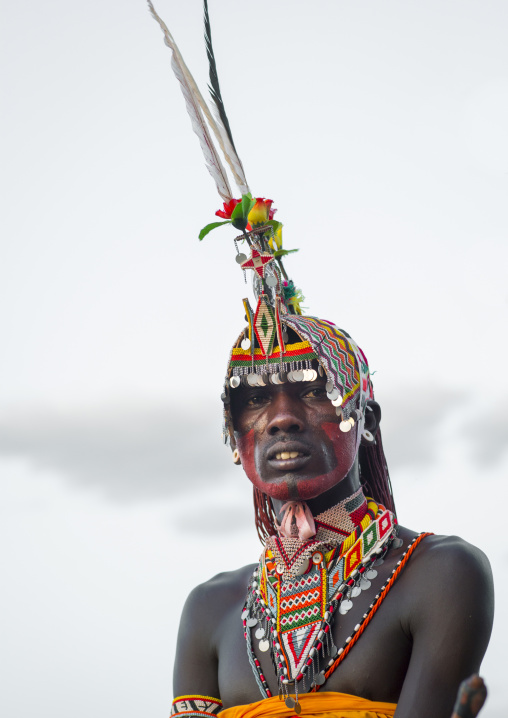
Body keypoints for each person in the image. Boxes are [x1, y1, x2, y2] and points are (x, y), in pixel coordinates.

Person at [145, 3, 494, 716]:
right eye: (253, 403)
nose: (278, 420)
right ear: (233, 438)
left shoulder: (440, 573)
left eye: (308, 391)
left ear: (362, 415)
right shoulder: (209, 608)